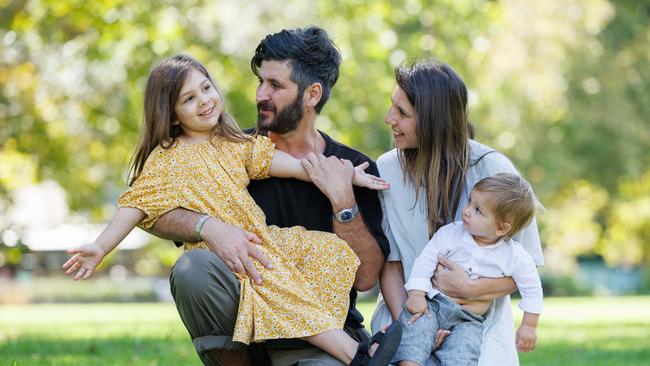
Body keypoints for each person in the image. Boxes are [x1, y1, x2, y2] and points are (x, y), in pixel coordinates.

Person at [62, 53, 401, 365]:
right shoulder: (168, 159)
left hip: (261, 242)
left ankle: (323, 344)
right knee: (282, 291)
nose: (204, 100)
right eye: (188, 98)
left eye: (206, 88)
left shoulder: (233, 144)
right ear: (172, 114)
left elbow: (296, 166)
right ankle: (357, 354)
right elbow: (136, 204)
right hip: (232, 259)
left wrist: (345, 175)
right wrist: (101, 247)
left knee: (327, 252)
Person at [144, 27, 392, 366]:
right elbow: (154, 211)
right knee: (192, 269)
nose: (261, 94)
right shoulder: (227, 151)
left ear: (312, 94)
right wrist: (208, 226)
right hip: (244, 332)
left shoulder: (355, 167)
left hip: (322, 333)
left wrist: (343, 201)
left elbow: (364, 279)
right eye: (260, 81)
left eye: (275, 85)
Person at [371, 59, 544, 366]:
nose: (389, 119)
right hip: (407, 308)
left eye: (402, 113)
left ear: (434, 120)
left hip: (477, 322)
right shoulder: (386, 170)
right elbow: (392, 264)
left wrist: (471, 288)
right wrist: (413, 324)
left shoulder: (494, 169)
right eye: (391, 107)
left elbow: (525, 268)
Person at [394, 173, 543, 366]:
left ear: (501, 229)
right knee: (415, 333)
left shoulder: (515, 256)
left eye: (478, 210)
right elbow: (426, 261)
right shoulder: (450, 234)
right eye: (469, 202)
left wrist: (529, 326)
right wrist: (416, 295)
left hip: (469, 320)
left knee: (463, 354)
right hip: (433, 305)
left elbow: (532, 289)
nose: (466, 211)